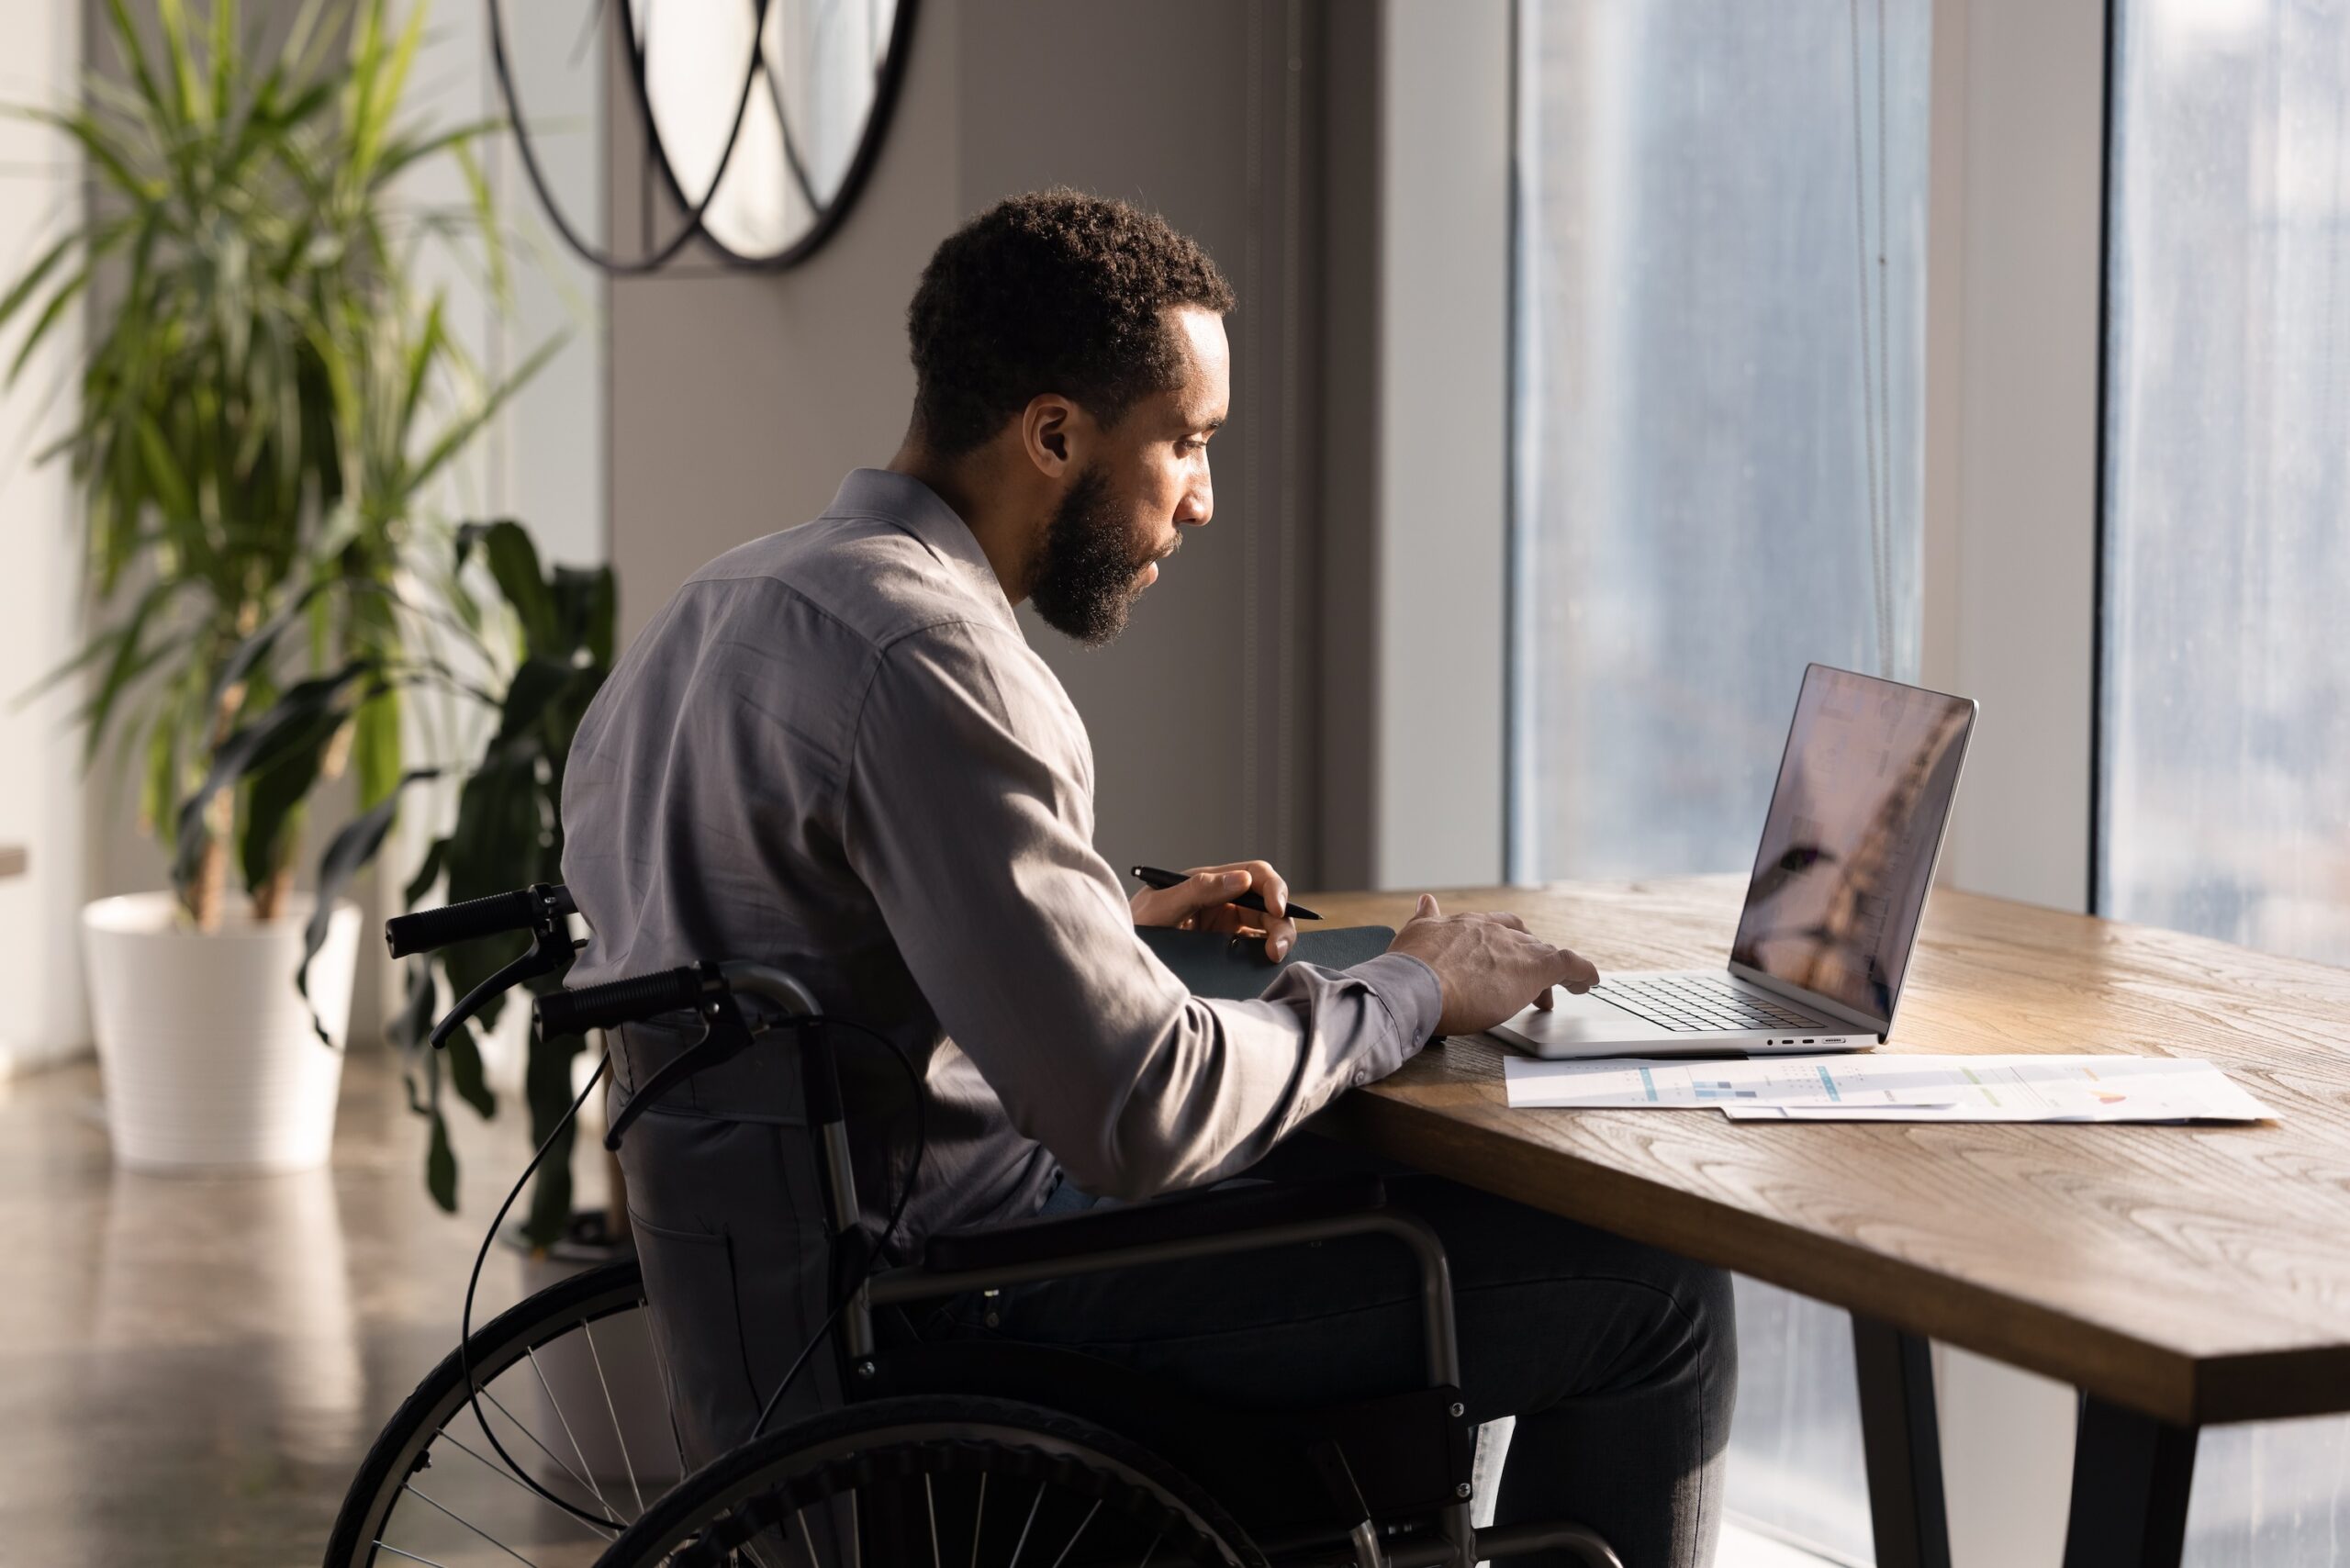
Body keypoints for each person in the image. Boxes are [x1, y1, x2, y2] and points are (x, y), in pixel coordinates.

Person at [561, 188, 1733, 1566]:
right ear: (1055, 434)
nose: (1205, 497)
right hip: (969, 1312)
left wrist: (1098, 926)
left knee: (1422, 1192)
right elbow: (1139, 1115)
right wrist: (1413, 988)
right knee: (1657, 1287)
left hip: (781, 1327)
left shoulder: (721, 610)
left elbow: (801, 943)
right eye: (1187, 441)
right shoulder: (933, 657)